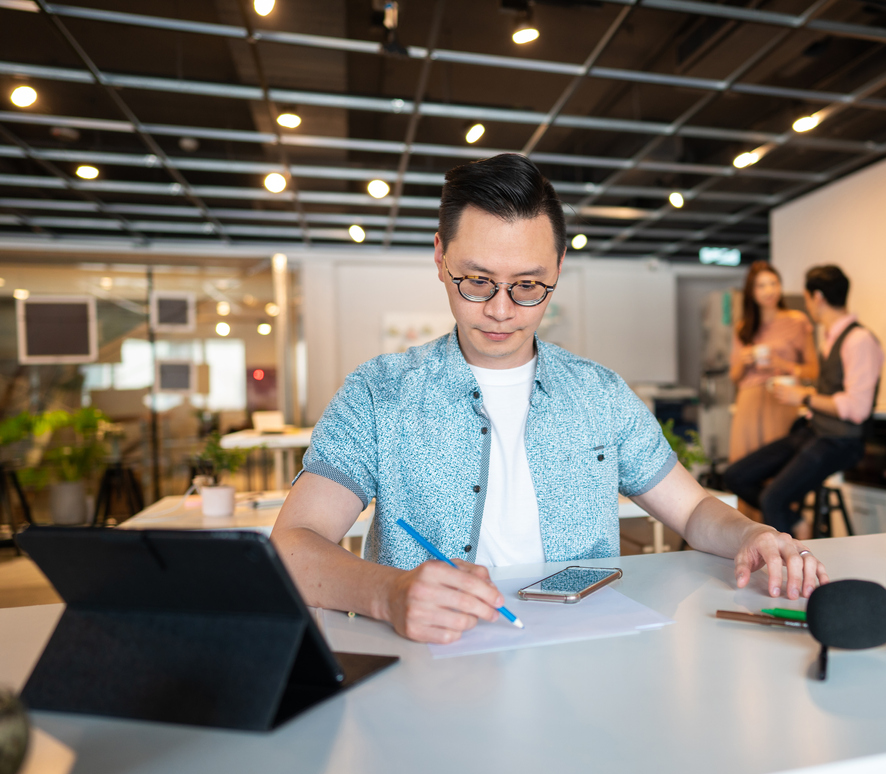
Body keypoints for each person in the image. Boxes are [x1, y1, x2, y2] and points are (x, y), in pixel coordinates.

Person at [270, 153, 828, 645]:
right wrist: (389, 593)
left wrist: (753, 535)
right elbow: (294, 545)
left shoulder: (599, 394)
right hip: (433, 663)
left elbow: (696, 511)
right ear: (440, 257)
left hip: (580, 658)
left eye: (528, 286)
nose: (501, 309)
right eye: (477, 280)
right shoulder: (379, 393)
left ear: (559, 266)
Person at [722, 265, 884, 537]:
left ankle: (793, 566)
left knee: (774, 498)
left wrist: (805, 397)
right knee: (735, 476)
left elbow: (858, 409)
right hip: (814, 430)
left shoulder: (858, 340)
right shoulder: (832, 338)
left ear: (817, 298)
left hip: (840, 440)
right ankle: (795, 522)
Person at [728, 261, 819, 463]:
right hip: (748, 402)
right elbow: (734, 377)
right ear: (751, 291)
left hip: (781, 399)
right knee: (743, 466)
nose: (769, 290)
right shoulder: (743, 328)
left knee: (779, 467)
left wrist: (781, 363)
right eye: (761, 285)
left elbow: (813, 370)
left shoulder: (797, 321)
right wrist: (744, 361)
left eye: (773, 283)